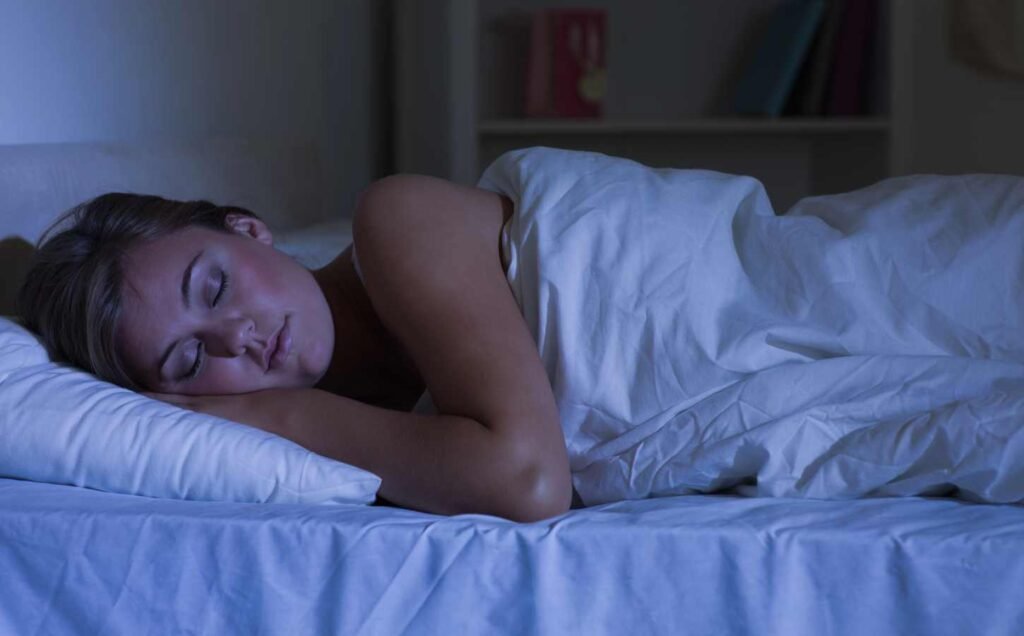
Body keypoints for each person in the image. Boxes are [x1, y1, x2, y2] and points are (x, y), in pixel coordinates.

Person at [17, 175, 573, 523]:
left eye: (215, 286)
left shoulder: (399, 219)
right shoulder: (360, 440)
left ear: (250, 230)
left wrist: (276, 410)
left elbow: (530, 483)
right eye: (189, 360)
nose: (235, 338)